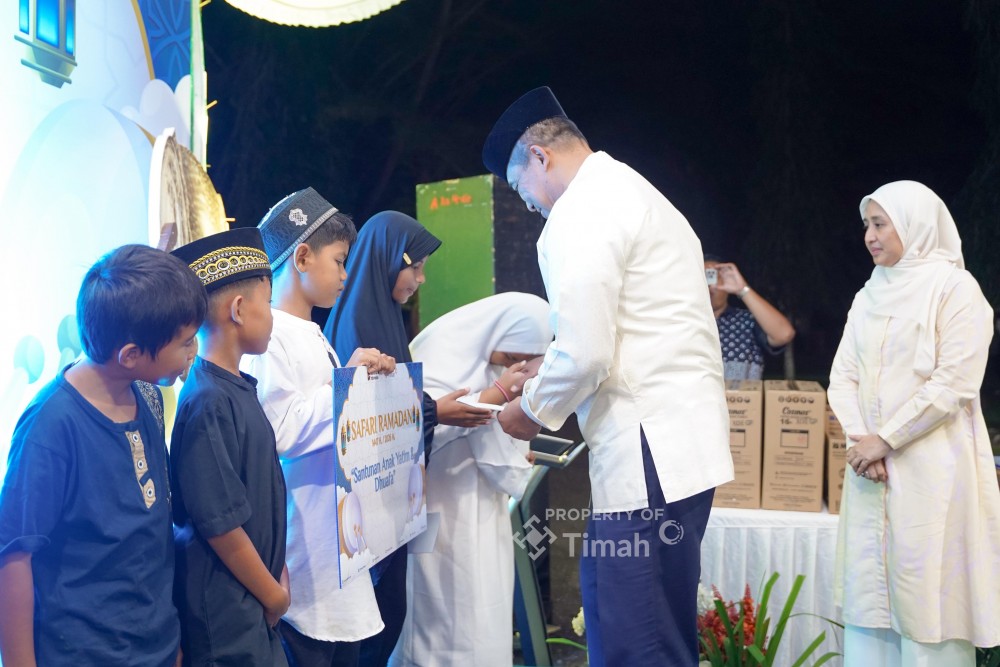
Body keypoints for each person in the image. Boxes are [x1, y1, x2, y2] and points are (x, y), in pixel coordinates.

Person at [483, 86, 734, 666]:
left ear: (539, 156)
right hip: (673, 443)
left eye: (521, 189)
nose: (529, 205)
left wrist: (531, 409)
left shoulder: (582, 210)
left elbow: (587, 353)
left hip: (650, 448)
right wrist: (551, 368)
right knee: (629, 613)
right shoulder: (633, 190)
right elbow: (627, 329)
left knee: (634, 637)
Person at [0, 244, 206, 666]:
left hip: (156, 648)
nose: (193, 351)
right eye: (185, 342)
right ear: (130, 355)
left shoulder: (146, 394)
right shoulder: (50, 426)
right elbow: (14, 556)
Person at [827, 180, 1000, 666]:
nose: (869, 236)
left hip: (932, 469)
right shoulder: (869, 293)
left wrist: (885, 440)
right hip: (870, 471)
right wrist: (863, 442)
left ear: (914, 224)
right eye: (867, 225)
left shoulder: (955, 289)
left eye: (880, 224)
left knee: (930, 600)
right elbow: (842, 376)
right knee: (870, 604)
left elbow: (955, 381)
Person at [323, 210, 495, 667]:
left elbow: (396, 401)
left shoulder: (382, 316)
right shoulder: (357, 323)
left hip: (390, 503)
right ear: (387, 260)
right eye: (414, 266)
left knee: (388, 616)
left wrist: (433, 409)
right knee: (374, 622)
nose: (420, 279)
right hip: (366, 512)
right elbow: (365, 417)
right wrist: (438, 411)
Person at [242, 187, 395, 667]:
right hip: (304, 547)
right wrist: (347, 383)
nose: (346, 275)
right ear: (303, 256)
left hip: (336, 543)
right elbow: (279, 431)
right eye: (339, 261)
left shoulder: (311, 333)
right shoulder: (270, 337)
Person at [392, 292, 552, 667]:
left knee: (480, 615)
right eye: (511, 356)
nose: (512, 365)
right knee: (439, 618)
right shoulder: (439, 359)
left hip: (482, 512)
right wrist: (494, 401)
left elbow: (500, 445)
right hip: (435, 510)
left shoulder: (489, 367)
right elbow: (414, 429)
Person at [169, 228, 289, 666]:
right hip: (227, 616)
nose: (273, 316)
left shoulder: (233, 388)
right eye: (268, 303)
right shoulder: (208, 401)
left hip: (250, 602)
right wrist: (274, 595)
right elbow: (220, 524)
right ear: (238, 309)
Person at [704, 255, 795, 380]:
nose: (709, 284)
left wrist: (742, 289)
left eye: (713, 276)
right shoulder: (682, 322)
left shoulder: (746, 320)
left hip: (742, 393)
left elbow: (784, 334)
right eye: (702, 277)